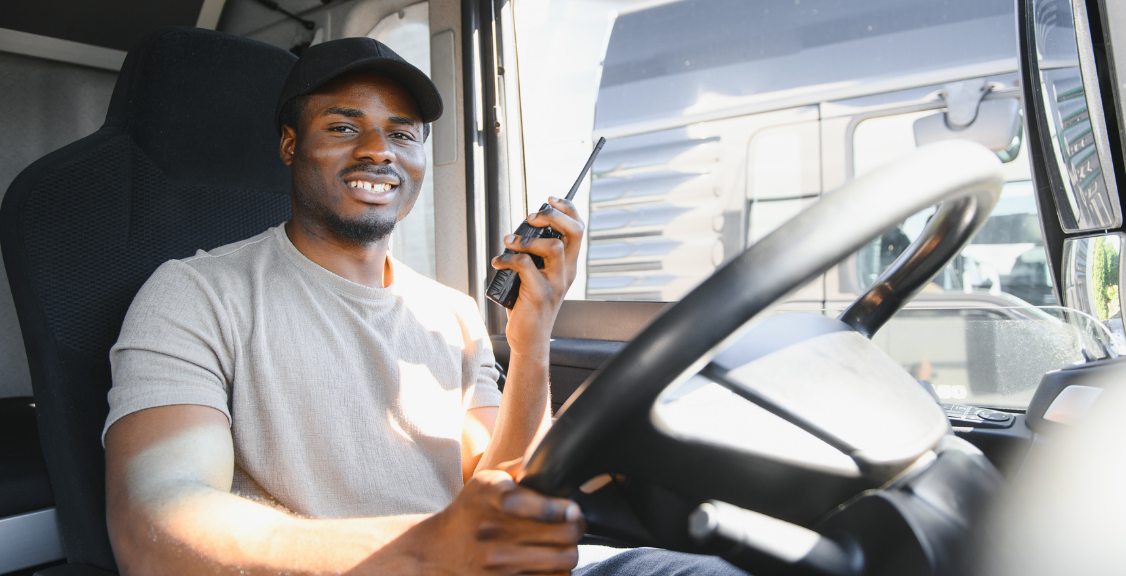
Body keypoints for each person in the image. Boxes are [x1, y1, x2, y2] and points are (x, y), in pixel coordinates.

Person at [102, 36, 747, 575]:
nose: (378, 150)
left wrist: (532, 342)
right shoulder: (195, 294)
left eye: (401, 134)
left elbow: (501, 483)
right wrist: (418, 553)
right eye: (343, 127)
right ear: (290, 143)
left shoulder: (454, 312)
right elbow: (155, 520)